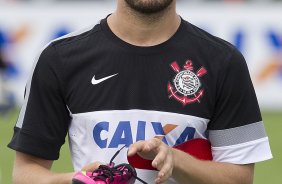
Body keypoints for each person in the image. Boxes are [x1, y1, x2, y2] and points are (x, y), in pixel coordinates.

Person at [8, 0, 272, 183]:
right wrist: (80, 181)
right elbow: (26, 174)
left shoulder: (224, 61)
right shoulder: (59, 58)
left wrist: (176, 161)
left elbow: (240, 178)